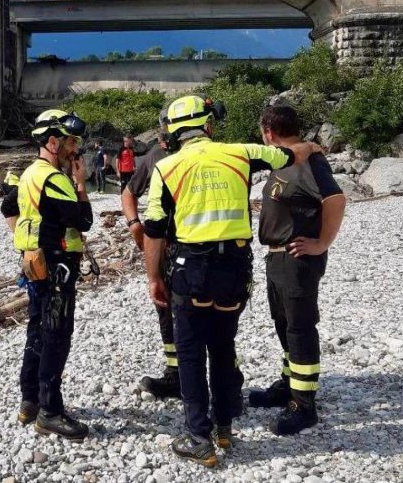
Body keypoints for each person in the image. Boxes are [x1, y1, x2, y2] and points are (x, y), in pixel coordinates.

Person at [143, 95, 323, 467]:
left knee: (191, 352)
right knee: (223, 345)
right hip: (234, 267)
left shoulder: (167, 167)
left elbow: (154, 231)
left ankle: (199, 437)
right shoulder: (240, 152)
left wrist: (152, 278)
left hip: (190, 268)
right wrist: (310, 145)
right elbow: (289, 154)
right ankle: (224, 425)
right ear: (209, 124)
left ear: (175, 132)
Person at [250, 105, 345, 435]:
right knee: (283, 323)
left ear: (269, 132)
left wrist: (321, 243)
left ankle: (304, 405)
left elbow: (335, 198)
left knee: (300, 328)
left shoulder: (308, 161)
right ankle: (289, 384)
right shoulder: (285, 159)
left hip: (298, 259)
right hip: (277, 256)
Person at [12, 108, 93, 440]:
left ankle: (29, 400)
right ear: (54, 141)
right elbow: (83, 220)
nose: (75, 150)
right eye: (71, 142)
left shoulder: (30, 173)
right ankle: (50, 411)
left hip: (34, 261)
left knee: (37, 328)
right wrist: (81, 184)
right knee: (56, 335)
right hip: (56, 265)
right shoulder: (54, 178)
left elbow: (10, 209)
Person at [121, 113, 181, 398]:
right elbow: (128, 193)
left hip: (201, 246)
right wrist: (135, 225)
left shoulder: (208, 153)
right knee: (166, 309)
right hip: (167, 245)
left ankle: (226, 378)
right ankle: (175, 373)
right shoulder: (155, 157)